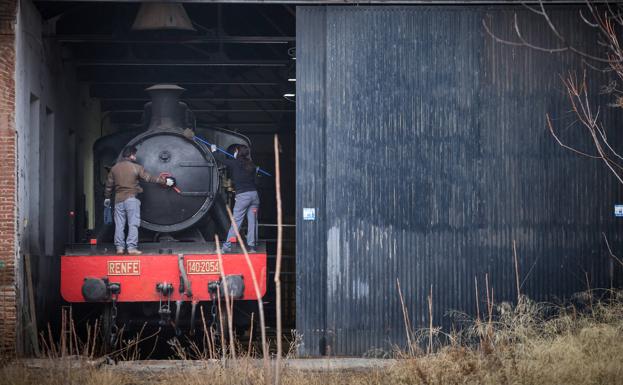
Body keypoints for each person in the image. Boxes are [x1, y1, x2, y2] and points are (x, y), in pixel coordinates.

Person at [104, 145, 175, 254]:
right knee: (133, 223)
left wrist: (107, 197)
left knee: (119, 225)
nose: (135, 157)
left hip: (118, 200)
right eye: (134, 154)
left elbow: (109, 185)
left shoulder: (114, 168)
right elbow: (149, 178)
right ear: (131, 155)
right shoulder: (136, 168)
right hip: (131, 199)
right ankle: (131, 248)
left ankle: (119, 248)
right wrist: (165, 181)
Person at [211, 143, 260, 253]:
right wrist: (256, 173)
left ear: (237, 152)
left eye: (235, 151)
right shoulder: (252, 165)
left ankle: (226, 247)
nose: (234, 153)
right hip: (254, 196)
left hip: (243, 197)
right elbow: (256, 182)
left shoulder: (235, 163)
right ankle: (252, 247)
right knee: (253, 222)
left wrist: (214, 151)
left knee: (236, 221)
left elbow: (220, 159)